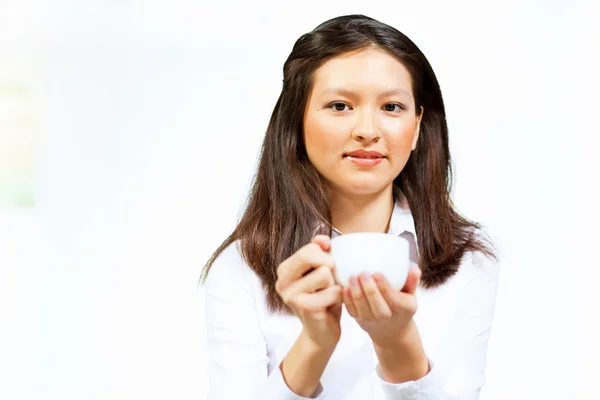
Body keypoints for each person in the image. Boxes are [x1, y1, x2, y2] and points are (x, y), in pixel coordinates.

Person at [200, 14, 499, 400]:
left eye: (392, 107)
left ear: (418, 128)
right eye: (340, 106)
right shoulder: (244, 265)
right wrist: (314, 344)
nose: (368, 130)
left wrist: (398, 345)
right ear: (298, 121)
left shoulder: (468, 261)